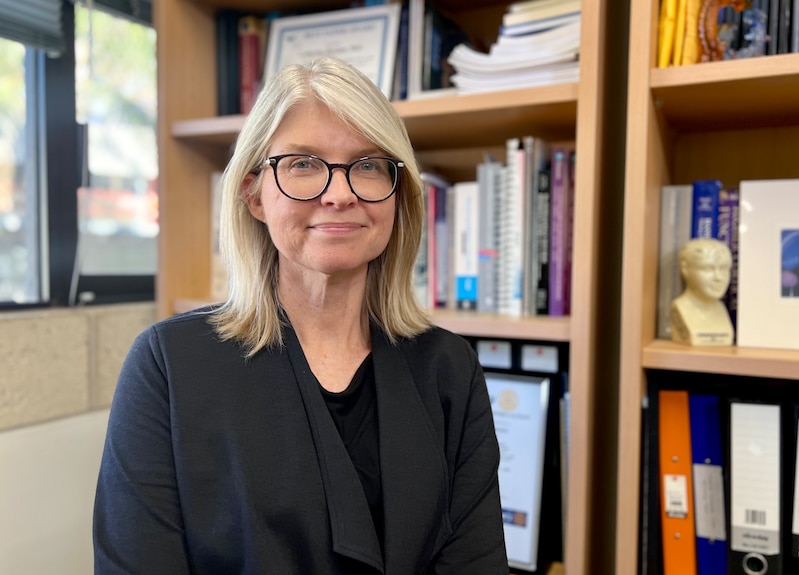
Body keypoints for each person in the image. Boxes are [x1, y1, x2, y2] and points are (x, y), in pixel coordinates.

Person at [93, 57, 508, 574]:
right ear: (253, 193)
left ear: (398, 195)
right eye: (303, 164)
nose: (339, 193)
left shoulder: (449, 368)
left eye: (370, 164)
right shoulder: (168, 367)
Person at [670, 237, 734, 346]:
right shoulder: (680, 306)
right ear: (685, 269)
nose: (718, 278)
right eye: (708, 269)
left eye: (723, 268)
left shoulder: (722, 309)